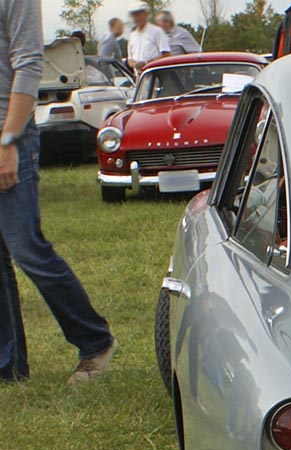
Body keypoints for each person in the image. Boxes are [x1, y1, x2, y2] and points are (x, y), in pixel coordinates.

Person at [0, 0, 116, 383]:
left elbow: (29, 66)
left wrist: (9, 142)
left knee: (26, 247)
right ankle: (8, 365)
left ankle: (95, 341)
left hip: (9, 133)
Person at [126, 2, 169, 71]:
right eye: (135, 15)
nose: (137, 17)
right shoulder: (132, 36)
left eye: (139, 14)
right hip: (140, 77)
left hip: (155, 74)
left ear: (146, 14)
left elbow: (166, 55)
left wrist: (146, 63)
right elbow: (129, 59)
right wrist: (134, 64)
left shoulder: (157, 31)